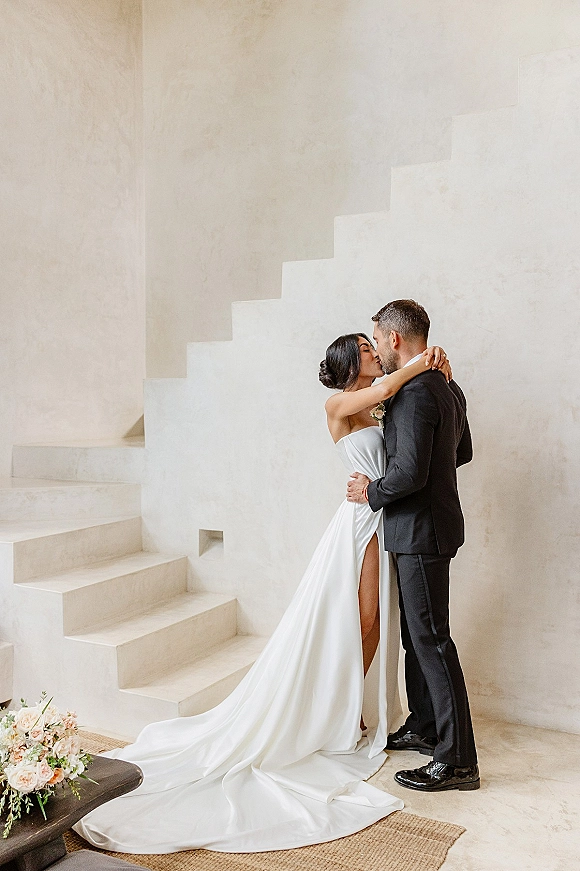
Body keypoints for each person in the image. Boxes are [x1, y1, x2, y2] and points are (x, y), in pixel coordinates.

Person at [74, 333, 449, 855]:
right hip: (360, 524)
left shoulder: (383, 407)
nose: (371, 351)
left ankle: (343, 708)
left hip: (383, 517)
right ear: (347, 362)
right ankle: (335, 711)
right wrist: (423, 363)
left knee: (375, 624)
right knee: (365, 621)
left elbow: (401, 434)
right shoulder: (339, 404)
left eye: (373, 344)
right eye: (363, 347)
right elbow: (386, 384)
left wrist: (432, 373)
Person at [347, 299, 479, 792]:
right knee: (416, 636)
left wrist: (371, 492)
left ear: (394, 339)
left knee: (431, 640)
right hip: (426, 529)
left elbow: (409, 473)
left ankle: (457, 759)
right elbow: (460, 451)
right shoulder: (444, 385)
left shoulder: (416, 392)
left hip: (421, 531)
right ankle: (426, 726)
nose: (376, 348)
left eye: (376, 339)